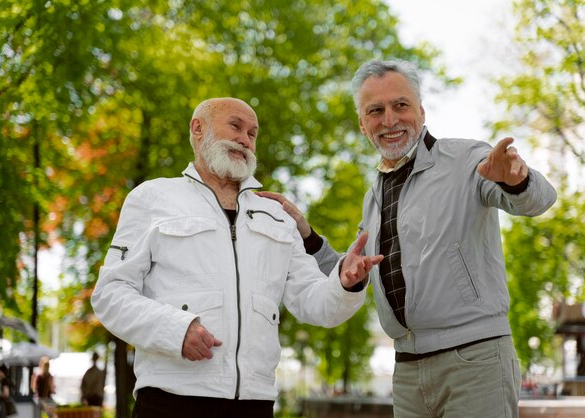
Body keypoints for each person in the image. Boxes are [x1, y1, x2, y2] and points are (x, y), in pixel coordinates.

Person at [258, 59, 557, 418]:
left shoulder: (466, 159)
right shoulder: (376, 195)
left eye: (400, 105)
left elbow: (540, 200)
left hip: (474, 360)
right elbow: (352, 269)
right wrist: (305, 232)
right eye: (375, 110)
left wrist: (516, 180)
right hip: (408, 371)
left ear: (421, 110)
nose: (389, 120)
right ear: (362, 124)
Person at [91, 97, 383, 418]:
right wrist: (175, 330)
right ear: (197, 128)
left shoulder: (277, 216)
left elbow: (314, 304)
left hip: (255, 403)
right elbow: (110, 294)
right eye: (235, 126)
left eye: (253, 134)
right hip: (170, 398)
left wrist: (344, 282)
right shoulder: (152, 198)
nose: (245, 140)